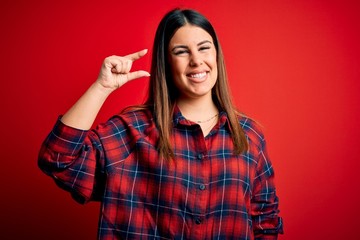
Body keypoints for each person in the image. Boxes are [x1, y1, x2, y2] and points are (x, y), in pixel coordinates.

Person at [38, 8, 283, 239]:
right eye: (181, 51)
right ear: (166, 62)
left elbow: (265, 221)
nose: (196, 60)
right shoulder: (133, 130)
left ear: (216, 55)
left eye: (204, 48)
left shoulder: (250, 136)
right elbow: (58, 159)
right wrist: (101, 88)